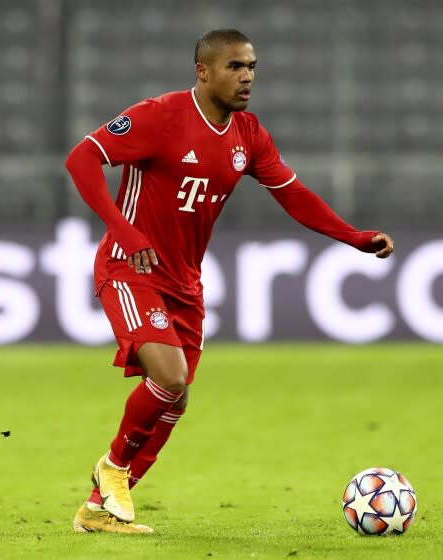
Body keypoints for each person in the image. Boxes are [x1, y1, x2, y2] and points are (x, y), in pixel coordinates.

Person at [64, 28, 394, 534]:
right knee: (169, 378)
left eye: (252, 67)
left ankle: (97, 509)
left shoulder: (249, 134)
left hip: (184, 283)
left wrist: (352, 237)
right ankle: (112, 468)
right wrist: (124, 231)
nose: (247, 77)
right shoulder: (160, 116)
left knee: (177, 397)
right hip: (132, 268)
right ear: (203, 71)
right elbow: (81, 158)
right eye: (236, 67)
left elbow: (293, 193)